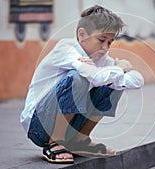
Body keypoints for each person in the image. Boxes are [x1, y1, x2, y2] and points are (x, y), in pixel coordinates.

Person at [20, 5, 144, 164]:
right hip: (39, 125)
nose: (105, 48)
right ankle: (55, 142)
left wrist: (116, 72)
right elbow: (95, 76)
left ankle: (79, 140)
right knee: (78, 77)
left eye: (110, 42)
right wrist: (119, 68)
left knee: (113, 84)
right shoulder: (66, 49)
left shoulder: (101, 59)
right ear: (82, 34)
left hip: (70, 126)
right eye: (101, 40)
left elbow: (137, 80)